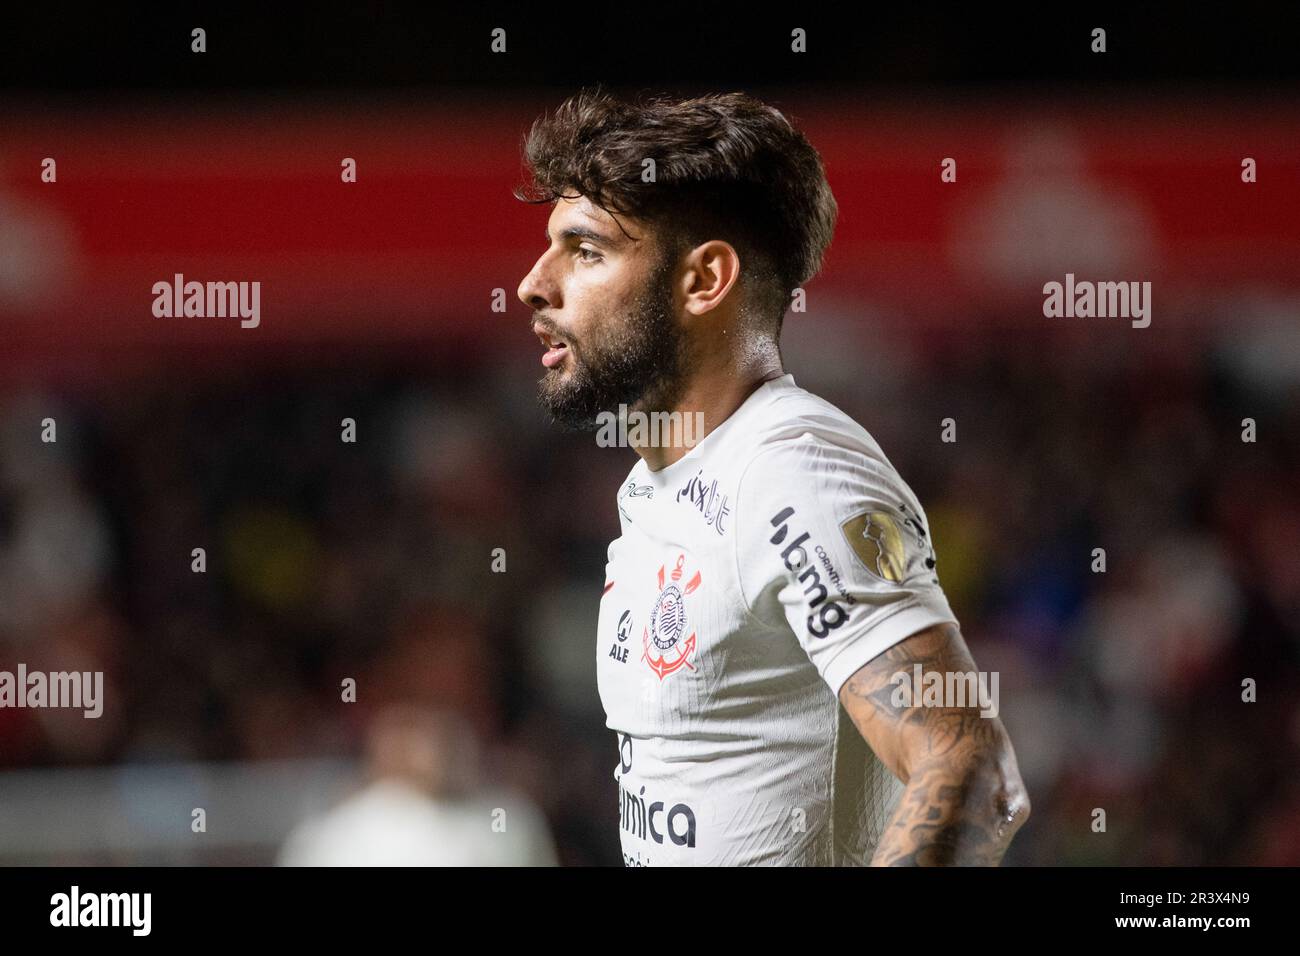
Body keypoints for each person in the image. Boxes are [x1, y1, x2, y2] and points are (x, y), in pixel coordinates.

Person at [515, 87, 1030, 866]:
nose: (533, 282)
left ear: (704, 280)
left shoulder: (792, 470)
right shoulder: (665, 479)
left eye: (586, 250)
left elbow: (972, 769)